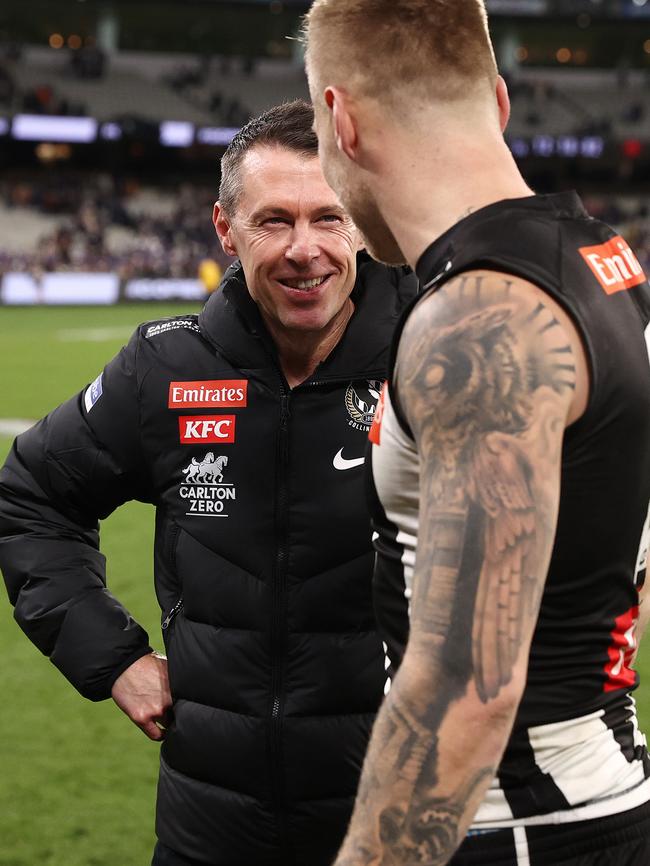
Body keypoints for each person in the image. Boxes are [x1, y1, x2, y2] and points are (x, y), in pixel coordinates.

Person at [0, 100, 417, 866]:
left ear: (361, 221)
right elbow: (30, 498)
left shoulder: (435, 359)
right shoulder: (166, 370)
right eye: (273, 221)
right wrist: (112, 656)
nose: (305, 250)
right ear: (225, 229)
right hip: (210, 831)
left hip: (398, 824)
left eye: (329, 217)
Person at [304, 2, 650, 864]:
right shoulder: (604, 260)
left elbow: (469, 685)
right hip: (594, 791)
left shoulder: (480, 315)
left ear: (342, 122)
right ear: (498, 101)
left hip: (519, 823)